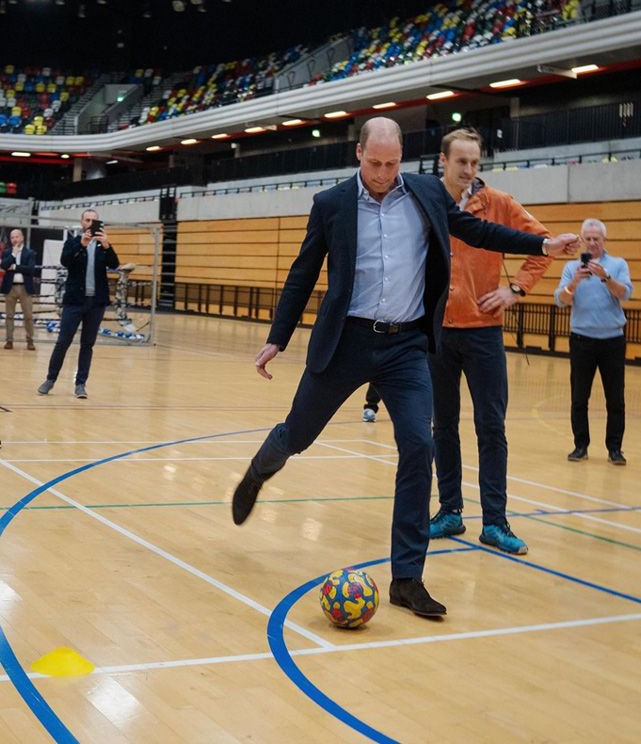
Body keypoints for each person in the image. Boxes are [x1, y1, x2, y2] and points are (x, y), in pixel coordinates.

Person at [230, 117, 579, 619]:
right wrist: (276, 338)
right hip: (346, 341)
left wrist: (541, 246)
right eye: (374, 163)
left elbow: (478, 231)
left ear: (402, 159)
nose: (382, 173)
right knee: (300, 433)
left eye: (391, 163)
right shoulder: (331, 205)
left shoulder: (425, 194)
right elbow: (303, 272)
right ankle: (259, 471)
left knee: (419, 445)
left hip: (406, 346)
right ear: (358, 154)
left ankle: (407, 578)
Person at [426, 127, 551, 556]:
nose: (469, 170)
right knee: (442, 425)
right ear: (443, 161)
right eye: (461, 161)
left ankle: (495, 522)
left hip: (483, 334)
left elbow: (542, 245)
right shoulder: (428, 201)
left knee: (491, 427)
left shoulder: (498, 204)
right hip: (438, 332)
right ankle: (450, 511)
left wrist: (514, 290)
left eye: (475, 163)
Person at [554, 218, 632, 466]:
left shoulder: (618, 265)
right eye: (587, 238)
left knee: (615, 398)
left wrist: (606, 277)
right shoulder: (571, 268)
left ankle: (615, 449)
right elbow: (560, 300)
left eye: (596, 238)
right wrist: (575, 282)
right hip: (581, 340)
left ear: (604, 240)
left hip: (612, 340)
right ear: (581, 241)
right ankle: (580, 445)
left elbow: (625, 293)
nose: (592, 242)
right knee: (579, 397)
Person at [37, 209, 119, 399]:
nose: (90, 223)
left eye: (94, 220)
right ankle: (50, 379)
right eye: (87, 220)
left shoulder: (102, 245)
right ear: (82, 222)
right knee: (63, 342)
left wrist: (106, 244)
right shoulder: (73, 242)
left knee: (87, 344)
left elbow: (114, 264)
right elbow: (65, 261)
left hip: (96, 302)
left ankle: (80, 384)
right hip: (74, 301)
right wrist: (81, 246)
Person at [1, 228, 37, 350]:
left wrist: (15, 266)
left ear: (22, 238)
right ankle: (9, 340)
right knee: (9, 316)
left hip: (24, 288)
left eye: (17, 237)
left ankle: (30, 340)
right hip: (10, 287)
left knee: (28, 316)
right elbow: (4, 266)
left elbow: (31, 269)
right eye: (12, 237)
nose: (15, 239)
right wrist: (13, 254)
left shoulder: (30, 253)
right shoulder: (7, 252)